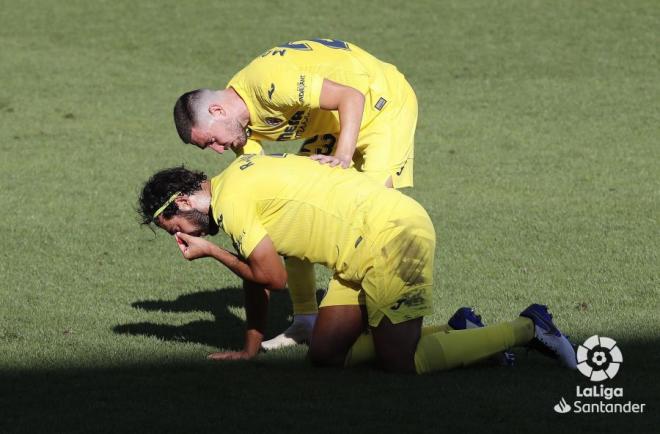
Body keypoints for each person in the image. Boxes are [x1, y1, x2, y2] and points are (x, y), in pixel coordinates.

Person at [136, 154, 577, 373]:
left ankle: (530, 327)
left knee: (399, 363)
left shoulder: (230, 203)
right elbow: (255, 278)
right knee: (327, 355)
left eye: (174, 224)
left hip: (391, 235)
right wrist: (250, 349)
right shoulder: (234, 180)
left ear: (186, 200)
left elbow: (270, 279)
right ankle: (462, 329)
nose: (181, 235)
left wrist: (212, 252)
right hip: (356, 252)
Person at [172, 39, 418, 349]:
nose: (218, 150)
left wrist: (342, 157)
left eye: (211, 141)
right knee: (287, 218)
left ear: (217, 110)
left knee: (370, 216)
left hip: (382, 105)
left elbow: (350, 96)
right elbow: (264, 191)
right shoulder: (239, 129)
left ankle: (379, 318)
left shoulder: (268, 83)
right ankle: (305, 320)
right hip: (335, 124)